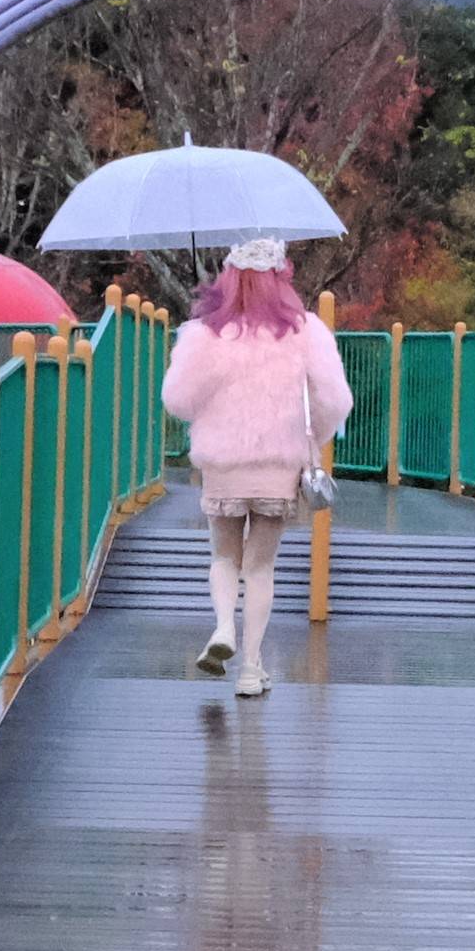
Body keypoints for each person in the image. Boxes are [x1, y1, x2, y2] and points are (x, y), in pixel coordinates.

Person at [158, 236, 352, 699]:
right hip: (278, 466)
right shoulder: (304, 331)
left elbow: (177, 400)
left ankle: (223, 627)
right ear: (279, 276)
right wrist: (313, 439)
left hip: (223, 464)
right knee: (260, 567)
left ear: (228, 278)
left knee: (224, 556)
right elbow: (335, 400)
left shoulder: (206, 332)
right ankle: (249, 670)